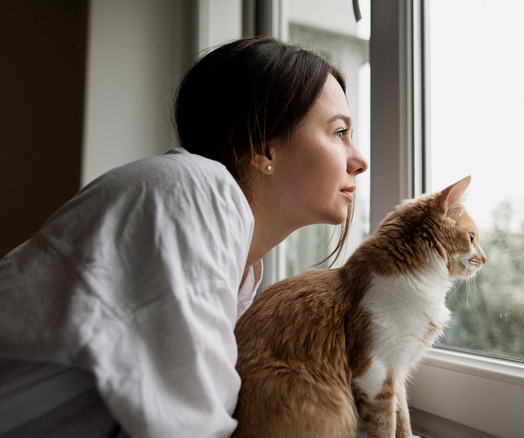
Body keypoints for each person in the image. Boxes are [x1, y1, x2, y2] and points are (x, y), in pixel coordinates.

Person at [0, 36, 368, 437]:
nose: (360, 160)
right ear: (265, 147)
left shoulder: (239, 265)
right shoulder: (194, 192)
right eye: (340, 132)